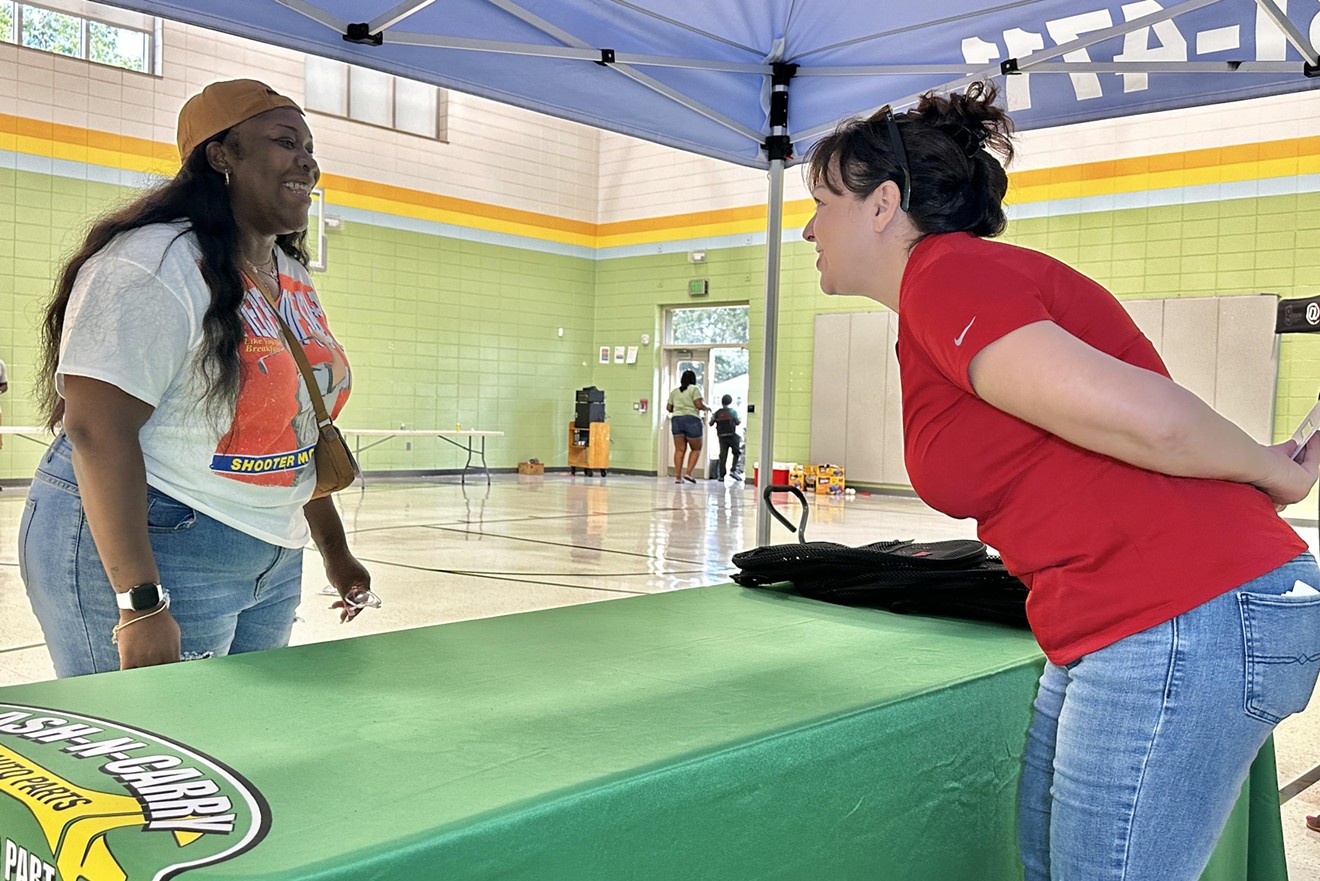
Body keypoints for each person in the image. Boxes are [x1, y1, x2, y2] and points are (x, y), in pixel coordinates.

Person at [802, 80, 1320, 881]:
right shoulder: (944, 294)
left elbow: (1145, 416)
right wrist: (1265, 461)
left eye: (823, 201)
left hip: (1179, 611)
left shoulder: (946, 274)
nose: (807, 226)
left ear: (883, 205)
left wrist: (1270, 472)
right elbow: (1122, 421)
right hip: (1127, 618)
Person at [21, 79, 373, 678]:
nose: (307, 161)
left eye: (310, 147)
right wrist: (139, 602)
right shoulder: (155, 262)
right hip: (157, 544)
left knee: (234, 746)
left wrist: (334, 551)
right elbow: (95, 428)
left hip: (270, 554)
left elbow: (299, 421)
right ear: (221, 156)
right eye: (285, 142)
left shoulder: (287, 271)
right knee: (150, 754)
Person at [666, 369, 707, 483]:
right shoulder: (694, 389)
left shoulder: (674, 392)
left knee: (679, 450)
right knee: (696, 448)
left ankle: (678, 477)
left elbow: (669, 408)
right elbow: (698, 405)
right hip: (692, 420)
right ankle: (688, 473)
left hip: (676, 420)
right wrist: (706, 407)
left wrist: (680, 407)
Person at [709, 394, 742, 481]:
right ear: (730, 402)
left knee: (723, 455)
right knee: (736, 452)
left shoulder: (717, 412)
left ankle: (721, 476)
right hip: (731, 435)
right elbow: (738, 422)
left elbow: (710, 423)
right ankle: (733, 470)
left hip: (721, 436)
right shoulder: (733, 411)